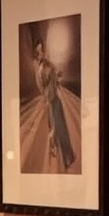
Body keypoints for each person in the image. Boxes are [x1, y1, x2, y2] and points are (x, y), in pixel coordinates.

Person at [33, 38, 76, 169]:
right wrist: (48, 95)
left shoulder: (50, 65)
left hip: (56, 100)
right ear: (37, 54)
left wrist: (57, 76)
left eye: (42, 50)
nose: (41, 53)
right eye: (39, 51)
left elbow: (54, 79)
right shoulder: (40, 70)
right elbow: (41, 87)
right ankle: (63, 156)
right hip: (51, 102)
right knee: (56, 129)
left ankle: (66, 156)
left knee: (60, 128)